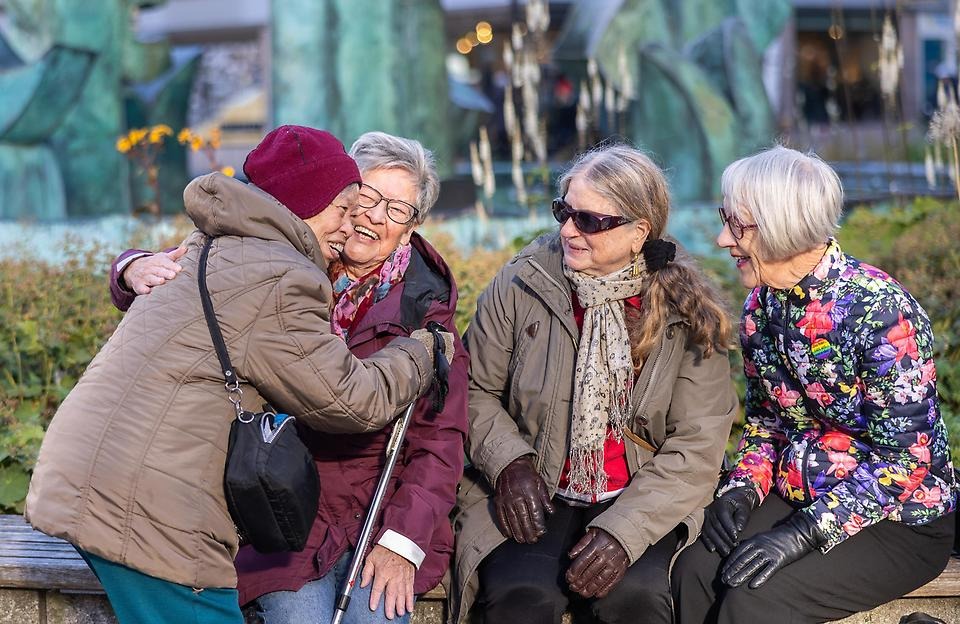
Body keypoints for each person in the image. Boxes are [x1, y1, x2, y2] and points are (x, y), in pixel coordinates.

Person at [24, 125, 454, 624]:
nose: (360, 219)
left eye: (395, 209)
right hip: (153, 503)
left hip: (103, 478)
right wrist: (422, 352)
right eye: (352, 204)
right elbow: (350, 398)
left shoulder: (232, 237)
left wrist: (402, 540)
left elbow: (438, 442)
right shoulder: (284, 274)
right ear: (309, 203)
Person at [450, 144, 739, 624]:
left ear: (637, 232)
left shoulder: (685, 308)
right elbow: (473, 388)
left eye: (589, 220)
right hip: (539, 485)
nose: (567, 229)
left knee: (637, 598)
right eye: (564, 211)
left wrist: (622, 533)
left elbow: (697, 443)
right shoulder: (522, 283)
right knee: (521, 596)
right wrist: (509, 463)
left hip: (644, 493)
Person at [671, 145, 958, 624]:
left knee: (755, 602)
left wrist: (802, 533)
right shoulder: (762, 308)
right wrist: (743, 489)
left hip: (901, 519)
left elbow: (906, 460)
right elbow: (767, 423)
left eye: (737, 225)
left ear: (782, 226)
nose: (723, 238)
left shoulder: (881, 313)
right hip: (804, 493)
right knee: (695, 572)